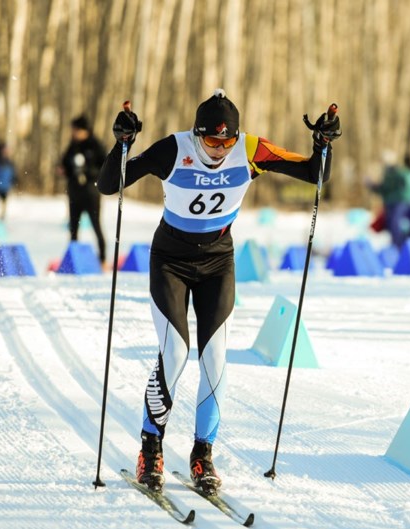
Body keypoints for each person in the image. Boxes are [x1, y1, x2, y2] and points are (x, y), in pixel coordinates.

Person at [96, 90, 339, 493]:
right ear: (197, 134)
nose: (220, 151)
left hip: (218, 263)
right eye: (212, 142)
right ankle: (150, 447)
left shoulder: (251, 149)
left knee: (216, 357)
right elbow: (108, 184)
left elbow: (314, 174)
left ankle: (202, 454)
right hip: (170, 260)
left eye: (227, 142)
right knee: (175, 352)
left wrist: (322, 145)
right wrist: (121, 145)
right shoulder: (174, 149)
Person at [59, 115, 107, 264]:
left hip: (91, 193)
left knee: (96, 225)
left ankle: (102, 257)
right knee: (73, 226)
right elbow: (64, 163)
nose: (73, 133)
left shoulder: (95, 145)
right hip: (74, 192)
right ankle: (73, 258)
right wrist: (65, 170)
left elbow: (104, 167)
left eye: (76, 130)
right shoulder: (73, 145)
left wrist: (87, 171)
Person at [368, 152, 410, 248]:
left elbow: (407, 186)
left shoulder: (400, 172)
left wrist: (405, 198)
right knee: (391, 225)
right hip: (390, 203)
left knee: (395, 224)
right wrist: (372, 186)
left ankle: (399, 246)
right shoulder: (387, 174)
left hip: (399, 202)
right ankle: (395, 245)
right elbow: (383, 189)